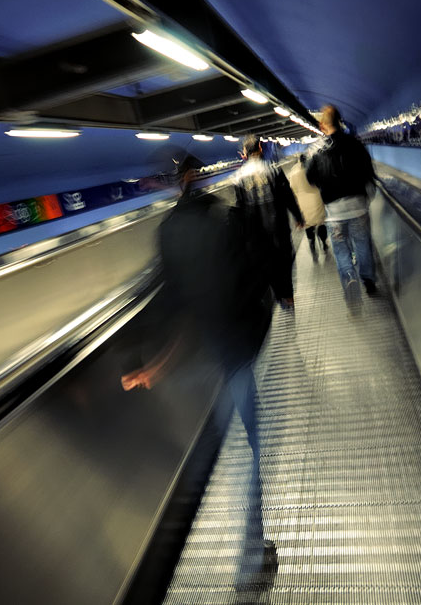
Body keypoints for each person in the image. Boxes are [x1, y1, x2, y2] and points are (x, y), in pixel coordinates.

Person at [121, 152, 277, 591]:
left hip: (199, 355)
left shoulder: (168, 232)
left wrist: (141, 359)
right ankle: (250, 563)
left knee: (221, 447)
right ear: (199, 178)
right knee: (248, 453)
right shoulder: (223, 218)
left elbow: (168, 297)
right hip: (235, 349)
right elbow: (251, 273)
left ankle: (198, 514)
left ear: (178, 183)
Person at [305, 104, 378, 307]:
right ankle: (369, 280)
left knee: (341, 250)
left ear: (322, 125)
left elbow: (310, 178)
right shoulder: (355, 143)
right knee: (362, 243)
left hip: (334, 211)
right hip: (358, 206)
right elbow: (368, 171)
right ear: (340, 121)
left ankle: (349, 279)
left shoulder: (317, 150)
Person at [234, 135, 304, 309]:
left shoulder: (238, 178)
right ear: (260, 148)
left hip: (256, 233)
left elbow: (241, 209)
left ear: (245, 153)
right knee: (285, 260)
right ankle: (288, 295)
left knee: (266, 263)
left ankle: (279, 294)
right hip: (279, 226)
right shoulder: (273, 170)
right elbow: (287, 195)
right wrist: (297, 216)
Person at [287, 153, 328, 260]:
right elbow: (321, 183)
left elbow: (291, 189)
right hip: (316, 199)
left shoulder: (293, 172)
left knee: (308, 224)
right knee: (320, 222)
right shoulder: (313, 169)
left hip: (302, 202)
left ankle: (311, 242)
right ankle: (324, 242)